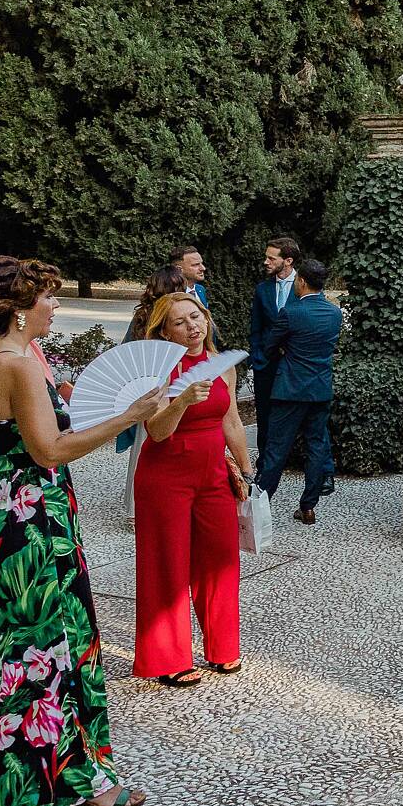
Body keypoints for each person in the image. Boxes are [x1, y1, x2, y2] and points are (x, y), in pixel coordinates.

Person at [0, 256, 164, 806]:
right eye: (47, 298)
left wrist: (0, 450)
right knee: (42, 645)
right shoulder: (18, 364)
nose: (55, 306)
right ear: (17, 310)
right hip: (28, 522)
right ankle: (73, 784)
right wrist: (128, 415)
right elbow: (51, 452)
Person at [133, 293, 249, 685]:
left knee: (220, 560)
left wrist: (247, 472)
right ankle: (169, 658)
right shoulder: (157, 371)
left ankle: (223, 647)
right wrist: (180, 401)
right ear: (164, 331)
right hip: (165, 476)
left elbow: (231, 422)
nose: (192, 326)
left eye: (196, 316)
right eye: (180, 322)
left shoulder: (221, 366)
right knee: (168, 565)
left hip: (213, 474)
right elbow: (156, 432)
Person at [257, 258, 342, 525]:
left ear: (302, 281)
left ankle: (261, 503)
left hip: (290, 389)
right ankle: (308, 506)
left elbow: (270, 345)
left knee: (276, 448)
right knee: (316, 446)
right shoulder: (334, 313)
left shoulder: (291, 313)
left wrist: (283, 350)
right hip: (319, 389)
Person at [119, 264, 189, 519]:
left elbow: (126, 350)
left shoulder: (142, 315)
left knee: (142, 446)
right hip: (165, 383)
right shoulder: (174, 316)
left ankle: (136, 508)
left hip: (146, 384)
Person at [249, 237, 301, 456]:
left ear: (287, 260)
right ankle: (264, 463)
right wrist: (258, 357)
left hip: (294, 364)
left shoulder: (304, 285)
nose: (266, 262)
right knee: (265, 416)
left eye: (271, 258)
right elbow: (256, 328)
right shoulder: (263, 289)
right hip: (266, 364)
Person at [168, 243, 210, 309]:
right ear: (178, 269)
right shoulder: (170, 294)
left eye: (201, 263)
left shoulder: (200, 289)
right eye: (196, 265)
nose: (203, 268)